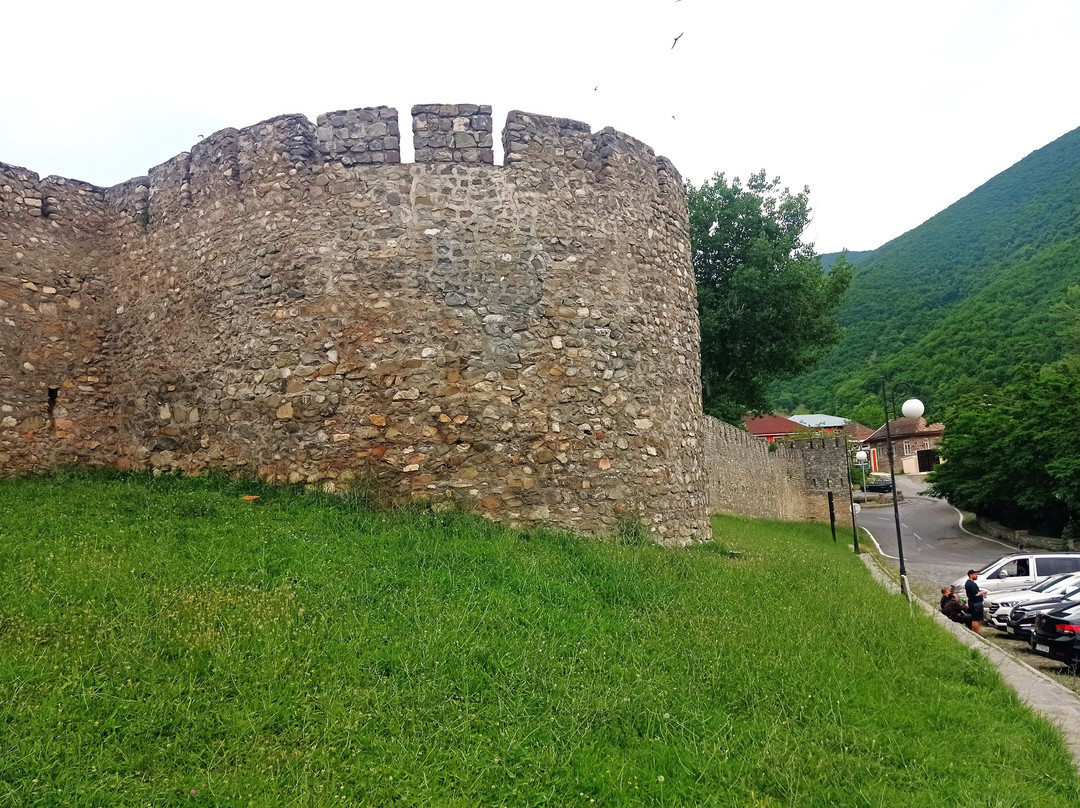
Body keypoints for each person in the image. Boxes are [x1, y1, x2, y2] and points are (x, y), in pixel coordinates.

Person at [964, 569, 989, 633]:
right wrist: (983, 592)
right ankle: (976, 633)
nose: (977, 576)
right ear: (970, 575)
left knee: (975, 618)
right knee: (976, 619)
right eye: (975, 574)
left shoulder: (968, 583)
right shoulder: (971, 584)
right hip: (975, 604)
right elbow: (976, 594)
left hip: (973, 603)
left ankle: (974, 632)